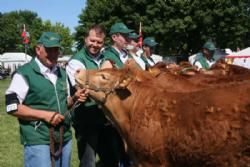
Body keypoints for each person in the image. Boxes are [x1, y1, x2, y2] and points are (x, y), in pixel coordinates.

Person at [5, 32, 87, 167]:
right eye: (49, 50)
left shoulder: (62, 72)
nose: (54, 54)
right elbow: (12, 106)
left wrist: (75, 98)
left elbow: (65, 102)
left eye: (57, 49)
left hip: (64, 136)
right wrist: (45, 115)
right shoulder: (24, 73)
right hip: (38, 138)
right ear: (38, 49)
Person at [66, 24, 121, 167]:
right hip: (87, 119)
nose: (95, 45)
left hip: (107, 119)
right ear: (85, 39)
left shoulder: (107, 57)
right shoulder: (76, 60)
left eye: (99, 42)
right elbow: (82, 87)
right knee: (88, 162)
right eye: (92, 40)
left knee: (111, 160)